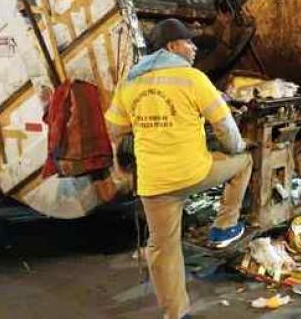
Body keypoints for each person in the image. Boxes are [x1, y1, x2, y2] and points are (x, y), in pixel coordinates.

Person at [105, 18, 252, 319]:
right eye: (190, 42)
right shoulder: (193, 79)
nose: (195, 48)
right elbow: (225, 127)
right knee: (244, 162)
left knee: (163, 248)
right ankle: (224, 227)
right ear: (173, 46)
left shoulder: (130, 81)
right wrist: (236, 149)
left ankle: (176, 314)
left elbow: (114, 130)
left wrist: (124, 165)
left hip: (154, 183)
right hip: (194, 173)